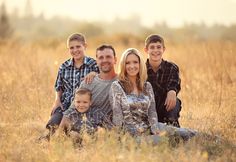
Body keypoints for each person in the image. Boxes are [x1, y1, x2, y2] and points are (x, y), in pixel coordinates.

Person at [110, 48, 196, 141]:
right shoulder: (117, 86)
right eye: (128, 63)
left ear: (140, 64)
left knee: (185, 133)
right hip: (133, 136)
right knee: (167, 140)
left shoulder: (146, 86)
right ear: (123, 65)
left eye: (135, 62)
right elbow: (117, 116)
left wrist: (155, 128)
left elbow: (152, 112)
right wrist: (122, 137)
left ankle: (209, 138)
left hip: (151, 127)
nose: (132, 66)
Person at [45, 33, 99, 137]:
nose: (75, 50)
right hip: (65, 104)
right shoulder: (64, 66)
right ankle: (47, 139)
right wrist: (57, 101)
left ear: (85, 46)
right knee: (52, 126)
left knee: (76, 129)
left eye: (78, 46)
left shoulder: (93, 64)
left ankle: (71, 135)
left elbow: (101, 79)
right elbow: (59, 86)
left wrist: (94, 74)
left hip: (83, 105)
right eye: (71, 48)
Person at [67, 44, 117, 128]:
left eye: (108, 57)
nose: (104, 60)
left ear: (115, 60)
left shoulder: (122, 82)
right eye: (101, 58)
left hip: (109, 128)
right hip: (86, 125)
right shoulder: (88, 82)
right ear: (97, 61)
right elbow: (71, 110)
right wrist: (59, 133)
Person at [144, 34, 182, 127]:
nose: (155, 50)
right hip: (147, 108)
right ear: (146, 50)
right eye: (152, 47)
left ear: (163, 49)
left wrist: (172, 91)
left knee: (175, 101)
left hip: (165, 107)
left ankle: (172, 126)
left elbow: (174, 83)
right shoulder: (141, 68)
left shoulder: (171, 67)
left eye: (158, 47)